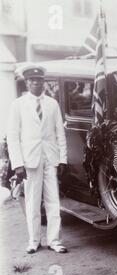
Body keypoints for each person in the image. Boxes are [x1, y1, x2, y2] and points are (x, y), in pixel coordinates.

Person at [7, 65, 68, 254]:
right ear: (27, 82)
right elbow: (13, 136)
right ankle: (34, 240)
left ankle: (54, 240)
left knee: (53, 200)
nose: (36, 83)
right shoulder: (18, 105)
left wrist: (63, 159)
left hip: (50, 157)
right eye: (33, 80)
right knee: (33, 201)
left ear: (43, 82)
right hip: (29, 160)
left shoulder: (52, 104)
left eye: (40, 80)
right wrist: (17, 164)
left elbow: (60, 133)